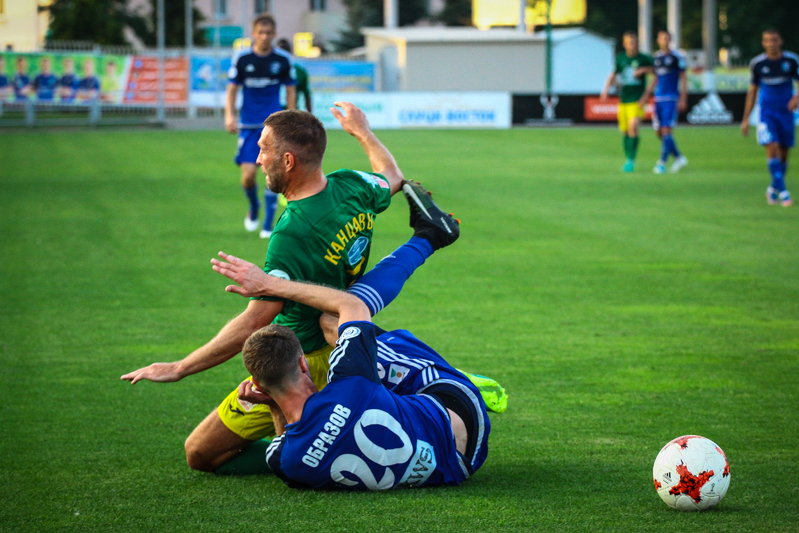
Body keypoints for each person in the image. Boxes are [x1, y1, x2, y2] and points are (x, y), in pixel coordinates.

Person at [122, 103, 407, 475]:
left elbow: (255, 321)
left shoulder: (292, 234)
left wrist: (180, 367)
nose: (257, 159)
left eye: (263, 149)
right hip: (347, 343)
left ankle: (301, 446)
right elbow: (392, 176)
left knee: (200, 453)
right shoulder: (352, 184)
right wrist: (362, 131)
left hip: (298, 363)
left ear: (288, 161)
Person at [210, 192, 491, 489]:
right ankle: (430, 236)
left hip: (459, 467)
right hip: (460, 408)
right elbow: (352, 306)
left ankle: (407, 367)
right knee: (332, 320)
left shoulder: (287, 463)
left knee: (364, 365)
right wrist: (270, 284)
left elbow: (286, 440)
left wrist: (274, 405)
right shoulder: (349, 383)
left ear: (257, 384)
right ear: (303, 364)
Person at [226, 14, 297, 239]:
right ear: (254, 34)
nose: (265, 36)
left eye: (268, 33)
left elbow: (291, 89)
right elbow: (232, 88)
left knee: (273, 174)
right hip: (248, 125)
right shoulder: (242, 58)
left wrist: (291, 118)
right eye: (261, 32)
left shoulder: (283, 59)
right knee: (248, 176)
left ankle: (268, 223)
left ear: (274, 34)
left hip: (273, 125)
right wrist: (229, 116)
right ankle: (254, 206)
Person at [741, 28, 799, 207]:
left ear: (780, 41)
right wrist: (746, 118)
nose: (771, 43)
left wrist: (796, 97)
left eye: (774, 40)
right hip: (766, 113)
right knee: (772, 147)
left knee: (784, 154)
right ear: (763, 43)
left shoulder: (791, 61)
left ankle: (773, 188)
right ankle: (784, 193)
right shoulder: (758, 64)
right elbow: (752, 91)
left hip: (786, 114)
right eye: (767, 40)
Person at [601, 32, 654, 173]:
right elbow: (613, 74)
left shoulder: (644, 59)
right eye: (630, 43)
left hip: (637, 100)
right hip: (624, 100)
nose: (633, 45)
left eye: (635, 42)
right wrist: (605, 90)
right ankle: (627, 159)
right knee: (625, 131)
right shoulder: (621, 59)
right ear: (625, 44)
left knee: (633, 126)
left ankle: (631, 159)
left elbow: (656, 74)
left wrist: (646, 94)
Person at [642, 30, 688, 174]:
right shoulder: (656, 58)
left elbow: (683, 78)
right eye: (662, 39)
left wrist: (683, 98)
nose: (665, 41)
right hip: (658, 98)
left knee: (666, 130)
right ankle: (678, 157)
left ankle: (661, 163)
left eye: (667, 38)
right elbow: (655, 78)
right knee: (659, 132)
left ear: (670, 40)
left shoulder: (676, 57)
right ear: (658, 40)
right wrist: (646, 96)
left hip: (671, 98)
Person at [276, 39, 312, 113]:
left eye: (286, 52)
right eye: (280, 52)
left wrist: (310, 115)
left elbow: (306, 94)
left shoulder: (300, 71)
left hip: (291, 113)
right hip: (271, 112)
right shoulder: (269, 70)